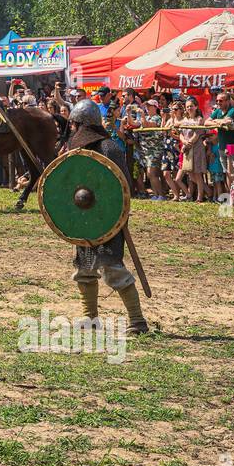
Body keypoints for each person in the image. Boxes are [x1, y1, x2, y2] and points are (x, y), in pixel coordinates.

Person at [63, 98, 148, 335]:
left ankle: (138, 322)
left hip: (106, 218)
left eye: (73, 125)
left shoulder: (109, 148)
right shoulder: (78, 150)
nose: (71, 130)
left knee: (112, 267)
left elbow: (122, 187)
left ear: (81, 125)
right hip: (84, 218)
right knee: (85, 267)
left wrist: (115, 216)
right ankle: (90, 318)